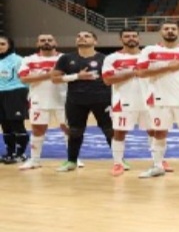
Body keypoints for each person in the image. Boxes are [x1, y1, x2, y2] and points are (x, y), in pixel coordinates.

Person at [136, 21, 179, 179]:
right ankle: (157, 166)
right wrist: (169, 67)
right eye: (166, 29)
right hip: (160, 99)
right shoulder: (149, 51)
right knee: (160, 132)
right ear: (161, 32)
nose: (170, 31)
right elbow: (140, 73)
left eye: (173, 29)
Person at [50, 31, 113, 171]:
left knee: (109, 130)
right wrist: (77, 76)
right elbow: (54, 79)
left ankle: (119, 161)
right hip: (76, 100)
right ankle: (71, 161)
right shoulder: (66, 58)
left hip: (102, 99)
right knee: (75, 131)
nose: (82, 38)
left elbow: (112, 78)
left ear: (95, 41)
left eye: (86, 36)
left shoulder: (105, 59)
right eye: (79, 36)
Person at [102, 30, 162, 177]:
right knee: (119, 132)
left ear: (139, 38)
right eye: (127, 36)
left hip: (149, 100)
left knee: (154, 131)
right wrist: (133, 72)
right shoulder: (112, 58)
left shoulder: (149, 56)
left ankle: (158, 162)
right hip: (123, 101)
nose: (131, 38)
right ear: (120, 39)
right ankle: (118, 163)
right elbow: (108, 80)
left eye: (134, 36)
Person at [16, 34, 69, 170]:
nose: (46, 42)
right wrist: (49, 75)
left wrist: (38, 76)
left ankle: (73, 159)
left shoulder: (65, 58)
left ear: (55, 42)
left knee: (68, 129)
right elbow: (24, 79)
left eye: (49, 40)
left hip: (63, 99)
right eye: (43, 40)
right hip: (38, 99)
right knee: (37, 129)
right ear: (37, 43)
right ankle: (35, 160)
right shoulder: (28, 59)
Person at [0, 36, 30, 164]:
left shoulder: (19, 60)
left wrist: (27, 95)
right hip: (0, 94)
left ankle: (20, 154)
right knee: (5, 124)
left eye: (2, 44)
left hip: (16, 92)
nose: (0, 46)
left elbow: (26, 78)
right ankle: (10, 153)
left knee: (16, 124)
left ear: (9, 45)